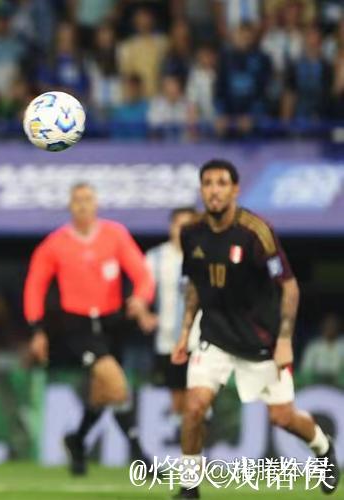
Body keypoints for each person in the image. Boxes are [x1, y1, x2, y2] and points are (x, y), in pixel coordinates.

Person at [171, 159, 339, 498]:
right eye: (208, 183)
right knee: (194, 407)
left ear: (235, 189)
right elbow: (195, 287)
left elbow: (289, 287)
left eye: (221, 183)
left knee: (282, 417)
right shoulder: (191, 233)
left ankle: (323, 448)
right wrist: (185, 332)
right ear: (201, 190)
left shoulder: (256, 232)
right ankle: (189, 487)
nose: (214, 190)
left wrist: (285, 341)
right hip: (214, 337)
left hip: (260, 340)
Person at [24, 183, 156, 476]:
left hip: (112, 323)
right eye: (77, 200)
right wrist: (37, 329)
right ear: (70, 206)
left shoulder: (115, 235)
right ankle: (140, 457)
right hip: (77, 325)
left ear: (97, 204)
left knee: (102, 394)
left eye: (88, 199)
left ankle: (77, 440)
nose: (83, 205)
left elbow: (142, 274)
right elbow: (35, 287)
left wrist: (140, 299)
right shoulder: (54, 244)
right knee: (116, 385)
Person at [145, 208, 201, 423]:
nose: (183, 231)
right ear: (171, 227)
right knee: (177, 400)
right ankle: (182, 438)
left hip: (199, 340)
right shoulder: (156, 257)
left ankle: (197, 438)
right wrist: (143, 313)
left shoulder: (207, 256)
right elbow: (142, 291)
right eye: (179, 225)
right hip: (168, 339)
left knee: (199, 399)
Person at [300, 313, 344, 380]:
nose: (330, 329)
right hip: (316, 382)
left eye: (332, 326)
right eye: (328, 326)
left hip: (338, 384)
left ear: (338, 327)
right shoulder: (314, 346)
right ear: (323, 327)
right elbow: (306, 369)